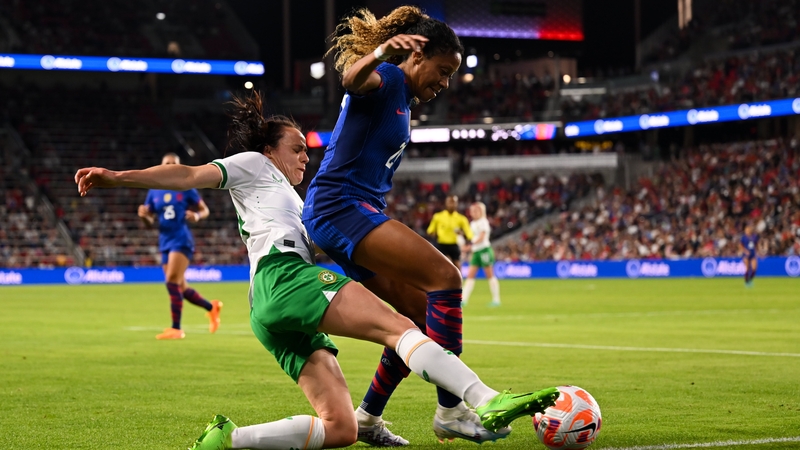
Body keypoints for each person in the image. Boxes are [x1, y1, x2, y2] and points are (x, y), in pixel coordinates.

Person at [74, 92, 559, 450]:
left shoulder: (298, 201)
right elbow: (187, 175)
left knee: (341, 429)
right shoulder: (251, 165)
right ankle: (480, 398)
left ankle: (228, 441)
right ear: (270, 150)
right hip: (284, 279)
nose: (306, 156)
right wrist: (118, 177)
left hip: (270, 306)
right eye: (297, 148)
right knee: (402, 329)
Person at [302, 6, 499, 444]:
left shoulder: (403, 99)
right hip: (340, 206)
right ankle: (452, 410)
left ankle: (368, 417)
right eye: (442, 70)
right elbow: (353, 78)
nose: (445, 83)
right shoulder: (389, 78)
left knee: (414, 319)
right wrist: (382, 53)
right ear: (416, 56)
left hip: (350, 209)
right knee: (446, 277)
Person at [138, 152, 222, 340]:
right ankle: (212, 307)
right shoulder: (154, 190)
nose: (169, 166)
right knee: (180, 288)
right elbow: (150, 222)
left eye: (173, 164)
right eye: (166, 163)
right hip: (164, 241)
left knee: (171, 282)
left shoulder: (186, 188)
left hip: (181, 239)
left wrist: (197, 216)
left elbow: (204, 210)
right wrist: (144, 216)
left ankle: (176, 328)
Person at [462, 202, 501, 307]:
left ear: (481, 211)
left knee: (490, 275)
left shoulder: (483, 222)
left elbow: (481, 237)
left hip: (484, 250)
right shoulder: (472, 224)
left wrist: (469, 246)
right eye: (472, 211)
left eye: (476, 211)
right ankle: (464, 300)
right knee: (470, 276)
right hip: (476, 252)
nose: (473, 213)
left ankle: (496, 300)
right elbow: (473, 238)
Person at [427, 194, 473, 267]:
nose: (451, 204)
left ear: (457, 203)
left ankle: (459, 278)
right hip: (441, 244)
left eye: (453, 202)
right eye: (449, 202)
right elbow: (430, 231)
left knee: (457, 264)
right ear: (446, 203)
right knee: (440, 264)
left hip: (454, 244)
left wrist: (462, 234)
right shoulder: (438, 217)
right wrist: (434, 233)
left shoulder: (461, 219)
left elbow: (469, 234)